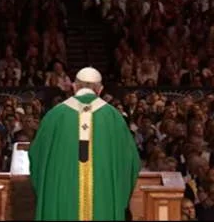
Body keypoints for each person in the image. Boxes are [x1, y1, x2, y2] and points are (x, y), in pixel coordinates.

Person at [29, 67, 141, 220]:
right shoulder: (114, 118)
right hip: (103, 196)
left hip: (62, 195)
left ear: (74, 87)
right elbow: (131, 162)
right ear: (100, 90)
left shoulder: (54, 116)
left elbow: (36, 157)